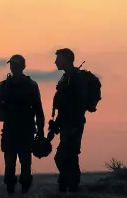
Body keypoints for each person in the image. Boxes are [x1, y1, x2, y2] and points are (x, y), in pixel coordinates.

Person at [0, 54, 45, 195]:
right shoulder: (4, 85)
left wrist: (40, 132)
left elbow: (38, 110)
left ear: (22, 66)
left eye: (16, 64)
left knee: (25, 163)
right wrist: (3, 116)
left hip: (25, 129)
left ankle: (23, 189)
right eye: (12, 65)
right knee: (10, 163)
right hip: (11, 129)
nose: (13, 67)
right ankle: (11, 189)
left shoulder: (30, 85)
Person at [50, 48, 89, 193]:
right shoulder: (66, 78)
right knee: (66, 156)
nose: (55, 62)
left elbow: (76, 104)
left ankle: (71, 186)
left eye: (58, 59)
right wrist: (56, 124)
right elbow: (63, 105)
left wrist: (71, 123)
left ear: (67, 60)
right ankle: (68, 185)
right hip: (67, 123)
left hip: (74, 123)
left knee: (67, 156)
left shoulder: (75, 78)